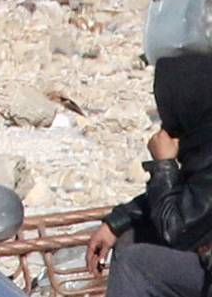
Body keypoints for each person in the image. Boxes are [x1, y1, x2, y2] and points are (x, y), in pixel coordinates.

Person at [87, 49, 212, 297]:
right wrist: (117, 222)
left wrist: (164, 166)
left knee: (136, 265)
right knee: (131, 239)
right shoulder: (203, 140)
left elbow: (176, 232)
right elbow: (193, 197)